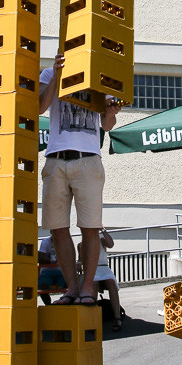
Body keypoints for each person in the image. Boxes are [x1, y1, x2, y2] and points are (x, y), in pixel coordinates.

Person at [39, 52, 120, 306]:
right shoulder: (50, 72)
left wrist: (111, 111)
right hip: (56, 157)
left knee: (90, 227)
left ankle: (87, 288)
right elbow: (39, 107)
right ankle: (72, 288)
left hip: (88, 158)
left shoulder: (99, 73)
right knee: (58, 228)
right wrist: (57, 74)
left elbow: (107, 125)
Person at [77, 228, 123, 330]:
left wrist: (103, 230)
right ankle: (92, 320)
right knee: (94, 283)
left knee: (111, 283)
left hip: (104, 268)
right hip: (92, 269)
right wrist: (78, 264)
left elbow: (111, 244)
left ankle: (117, 317)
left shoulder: (101, 240)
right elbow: (80, 260)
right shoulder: (81, 244)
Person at [37, 234, 67, 304]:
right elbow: (40, 258)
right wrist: (53, 260)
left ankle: (65, 304)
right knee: (41, 286)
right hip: (46, 271)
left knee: (70, 285)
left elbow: (67, 258)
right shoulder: (45, 242)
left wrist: (48, 259)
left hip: (61, 271)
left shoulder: (64, 241)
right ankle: (48, 305)